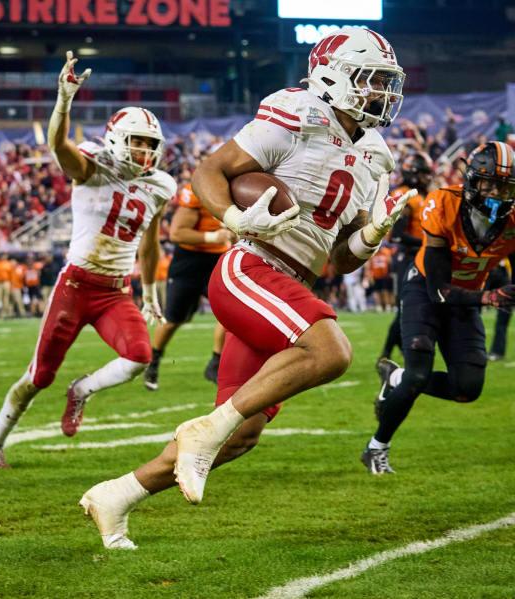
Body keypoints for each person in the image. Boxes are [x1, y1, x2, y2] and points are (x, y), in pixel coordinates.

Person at [79, 28, 413, 548]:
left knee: (240, 434)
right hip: (251, 268)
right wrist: (236, 216)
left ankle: (116, 496)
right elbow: (211, 169)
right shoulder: (298, 114)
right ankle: (202, 433)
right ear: (332, 77)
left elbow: (341, 259)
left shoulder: (377, 156)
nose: (381, 93)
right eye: (371, 80)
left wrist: (369, 238)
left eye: (385, 83)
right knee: (330, 350)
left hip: (292, 286)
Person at [0, 51, 176, 469]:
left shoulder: (159, 184)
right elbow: (57, 144)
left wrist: (150, 292)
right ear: (116, 140)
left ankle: (82, 390)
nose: (143, 150)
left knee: (139, 357)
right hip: (75, 286)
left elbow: (150, 242)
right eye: (137, 141)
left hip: (115, 291)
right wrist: (64, 101)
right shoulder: (92, 166)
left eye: (149, 144)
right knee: (39, 376)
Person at [364, 141, 515, 474]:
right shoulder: (443, 203)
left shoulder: (512, 219)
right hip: (426, 290)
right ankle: (377, 447)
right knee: (418, 375)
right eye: (489, 182)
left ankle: (395, 377)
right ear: (473, 178)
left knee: (468, 389)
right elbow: (438, 291)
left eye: (505, 186)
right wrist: (490, 297)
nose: (496, 192)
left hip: (467, 299)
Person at [143, 182, 236, 391]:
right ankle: (154, 360)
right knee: (174, 320)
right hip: (189, 262)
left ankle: (215, 362)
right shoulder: (198, 192)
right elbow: (176, 234)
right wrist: (213, 237)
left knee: (231, 313)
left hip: (218, 260)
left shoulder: (237, 190)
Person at [378, 153, 432, 360]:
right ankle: (386, 352)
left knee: (417, 307)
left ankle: (397, 349)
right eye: (424, 174)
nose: (428, 178)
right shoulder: (404, 195)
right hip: (409, 257)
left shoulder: (425, 195)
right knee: (405, 307)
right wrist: (429, 244)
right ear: (414, 173)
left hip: (422, 257)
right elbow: (398, 236)